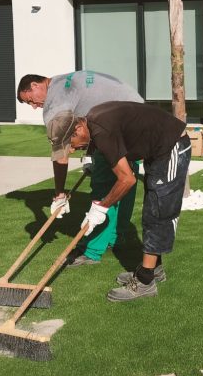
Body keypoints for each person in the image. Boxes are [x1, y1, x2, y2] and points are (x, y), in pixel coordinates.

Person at [46, 101, 190, 302]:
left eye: (70, 144)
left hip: (171, 146)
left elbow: (127, 179)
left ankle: (145, 282)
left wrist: (100, 208)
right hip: (156, 149)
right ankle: (154, 269)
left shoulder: (102, 129)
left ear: (78, 128)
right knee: (152, 209)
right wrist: (89, 160)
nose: (70, 151)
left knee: (158, 212)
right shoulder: (93, 121)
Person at [17, 71, 143, 267]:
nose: (34, 106)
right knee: (124, 180)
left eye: (30, 100)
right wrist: (90, 155)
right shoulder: (62, 82)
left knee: (103, 187)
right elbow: (90, 115)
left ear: (35, 85)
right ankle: (116, 237)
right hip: (138, 118)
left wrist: (59, 194)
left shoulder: (55, 103)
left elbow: (60, 154)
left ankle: (91, 251)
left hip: (120, 124)